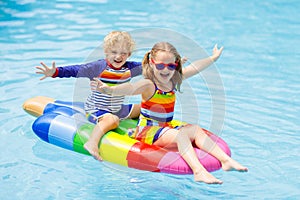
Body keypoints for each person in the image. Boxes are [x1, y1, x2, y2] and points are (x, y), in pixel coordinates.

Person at [94, 42, 248, 184]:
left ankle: (225, 160)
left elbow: (195, 68)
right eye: (160, 66)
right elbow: (130, 88)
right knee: (181, 135)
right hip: (148, 132)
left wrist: (213, 58)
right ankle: (199, 171)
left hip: (165, 128)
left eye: (171, 66)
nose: (166, 70)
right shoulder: (149, 84)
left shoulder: (173, 80)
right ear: (151, 64)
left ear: (176, 65)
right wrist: (109, 89)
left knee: (195, 130)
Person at [36, 31, 142, 161]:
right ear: (106, 52)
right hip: (97, 109)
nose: (118, 56)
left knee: (144, 107)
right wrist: (55, 72)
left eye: (123, 53)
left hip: (118, 108)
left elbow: (151, 67)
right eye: (114, 52)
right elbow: (76, 70)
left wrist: (170, 65)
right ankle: (92, 143)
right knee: (112, 120)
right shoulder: (98, 67)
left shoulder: (130, 68)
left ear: (129, 54)